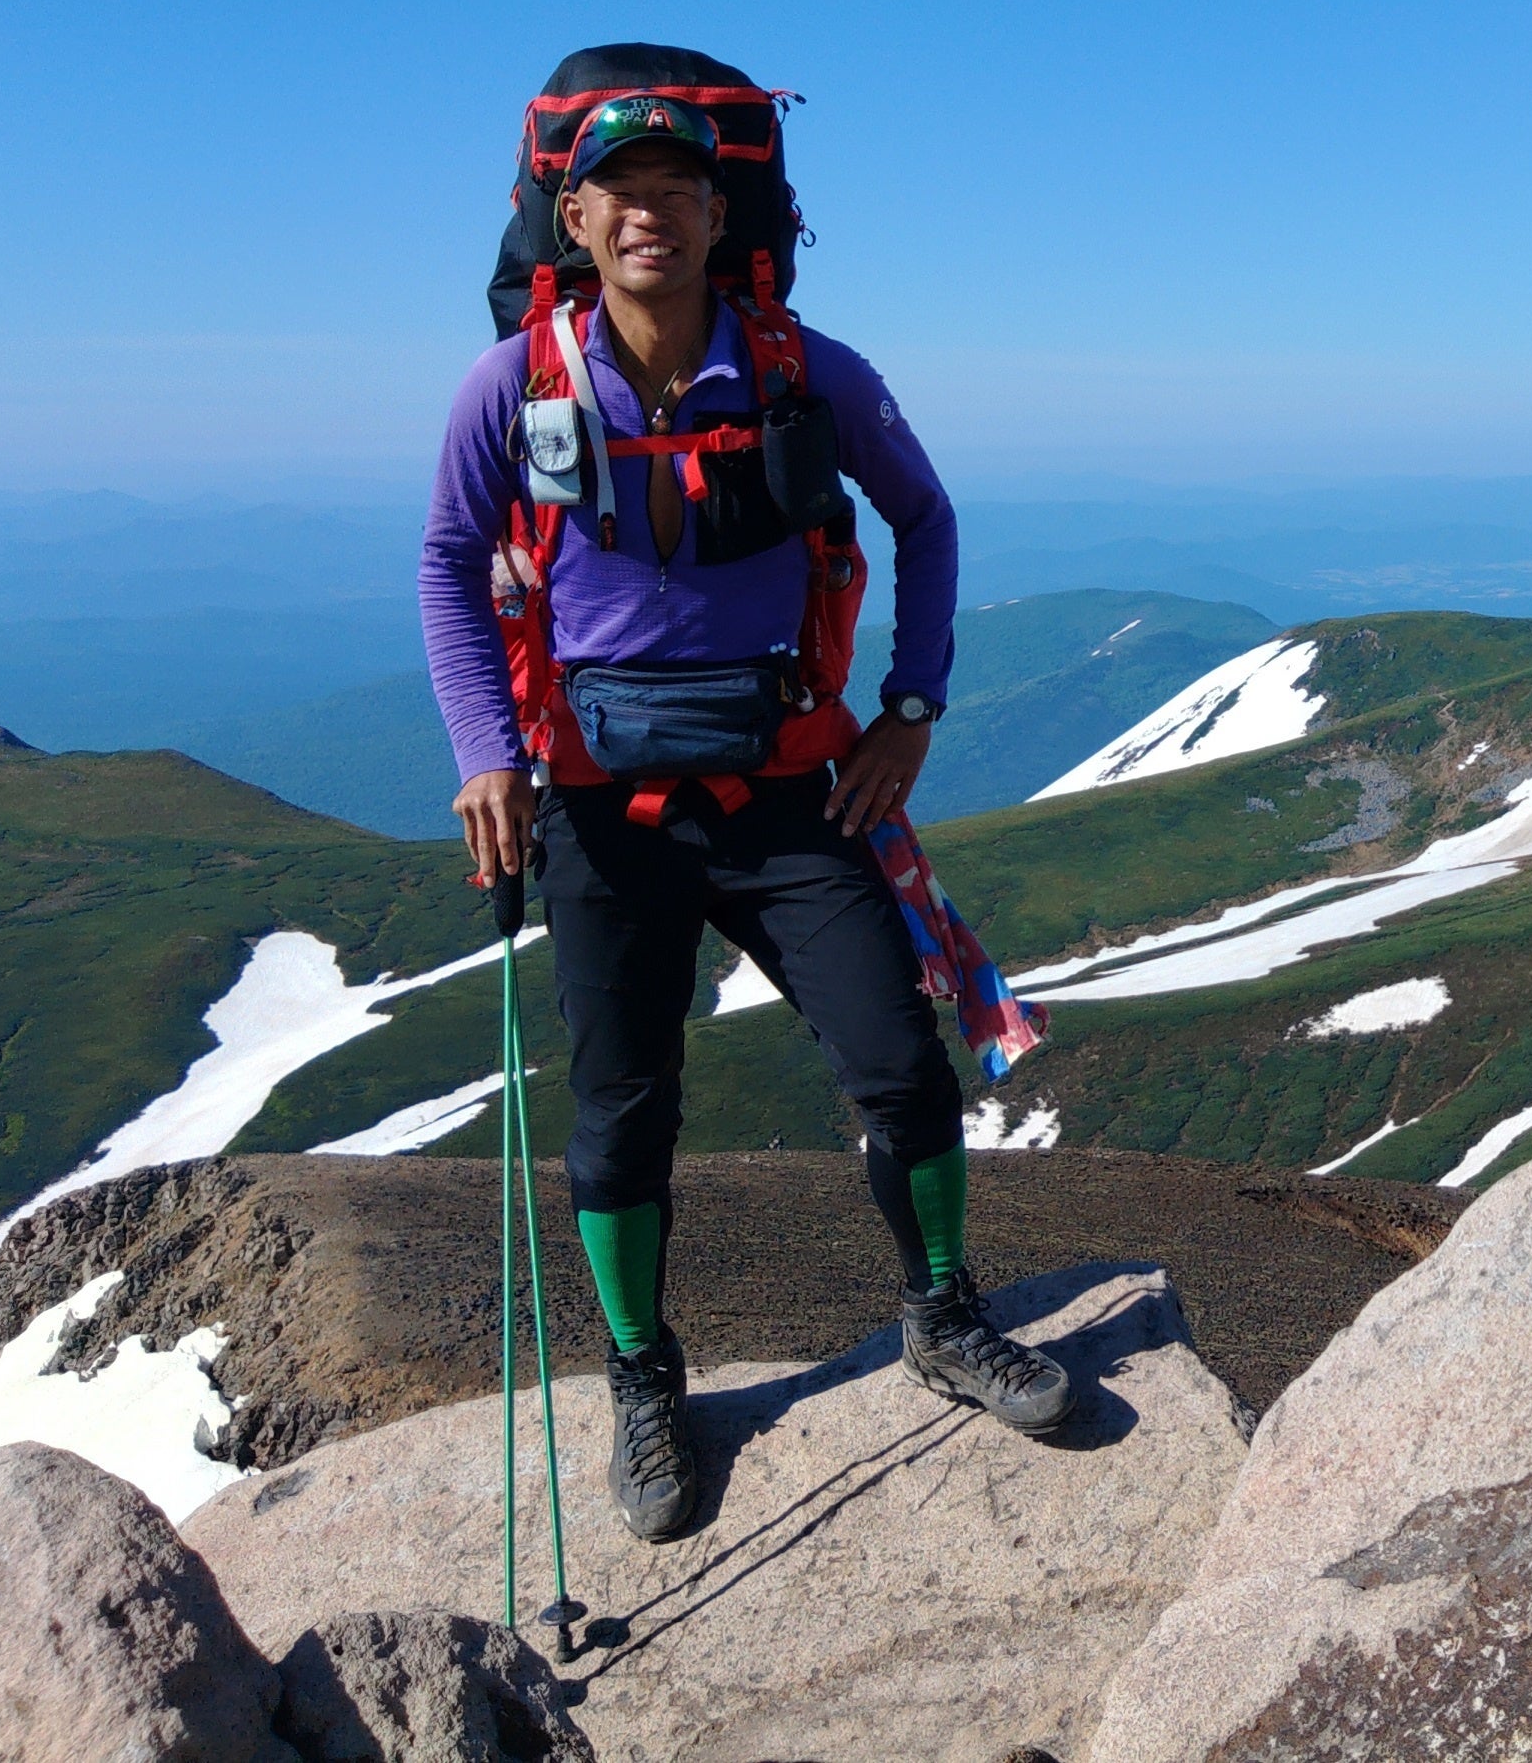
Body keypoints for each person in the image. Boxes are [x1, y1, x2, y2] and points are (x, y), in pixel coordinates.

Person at [421, 90, 1069, 1544]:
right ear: (573, 218)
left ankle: (942, 1315)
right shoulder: (511, 385)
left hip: (790, 789)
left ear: (723, 217)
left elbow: (926, 515)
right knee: (621, 1114)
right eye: (620, 188)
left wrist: (913, 706)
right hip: (601, 808)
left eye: (679, 188)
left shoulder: (806, 370)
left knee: (902, 1065)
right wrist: (484, 751)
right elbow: (450, 561)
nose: (649, 211)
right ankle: (643, 1376)